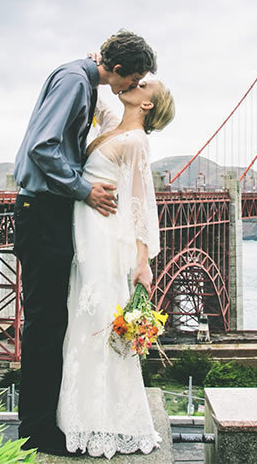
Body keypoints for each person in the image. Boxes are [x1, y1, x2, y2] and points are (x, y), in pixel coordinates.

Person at [12, 30, 157, 456]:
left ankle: (45, 421)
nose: (130, 87)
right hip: (41, 210)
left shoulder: (81, 77)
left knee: (53, 320)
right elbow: (43, 147)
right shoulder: (77, 81)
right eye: (130, 79)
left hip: (42, 211)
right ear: (116, 70)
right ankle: (36, 430)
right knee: (45, 324)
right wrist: (83, 190)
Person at [57, 77, 175, 458]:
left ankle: (108, 422)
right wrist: (98, 67)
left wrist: (143, 263)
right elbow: (103, 95)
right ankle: (82, 416)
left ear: (147, 105)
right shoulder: (114, 126)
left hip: (105, 237)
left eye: (143, 84)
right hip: (88, 234)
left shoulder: (136, 142)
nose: (134, 84)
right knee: (83, 318)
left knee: (98, 318)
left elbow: (141, 205)